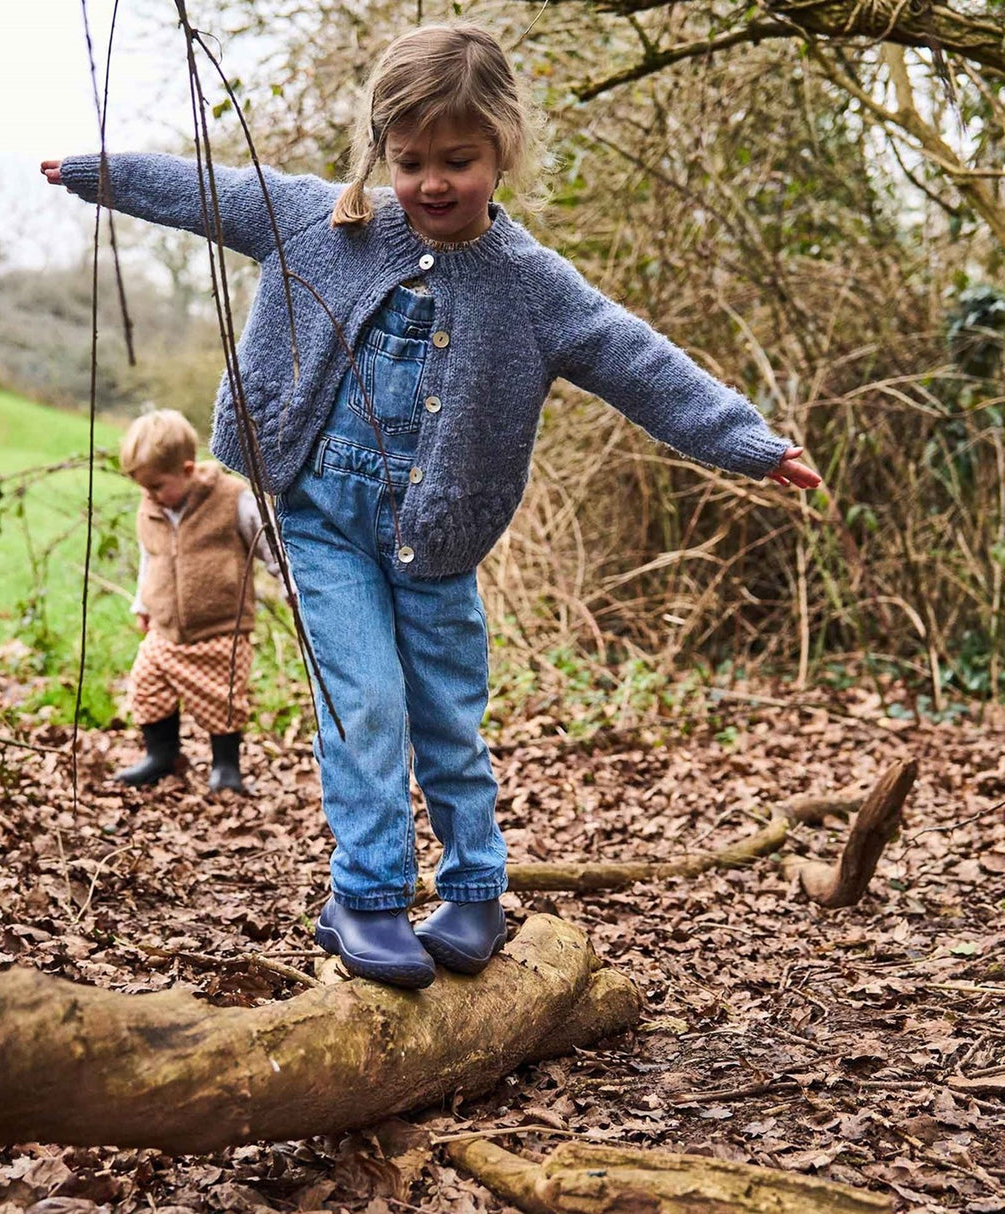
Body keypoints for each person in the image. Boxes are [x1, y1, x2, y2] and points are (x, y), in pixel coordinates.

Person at [42, 22, 820, 989]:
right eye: (409, 162)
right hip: (320, 522)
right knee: (364, 703)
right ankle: (367, 896)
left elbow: (636, 361)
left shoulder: (533, 286)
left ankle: (475, 887)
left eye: (458, 161)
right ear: (382, 152)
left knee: (448, 716)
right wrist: (98, 173)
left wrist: (750, 443)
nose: (432, 183)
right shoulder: (323, 221)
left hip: (437, 539)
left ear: (503, 150)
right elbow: (210, 189)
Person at [115, 408, 278, 791]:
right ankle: (162, 756)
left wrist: (291, 587)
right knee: (146, 685)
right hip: (165, 630)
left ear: (187, 470)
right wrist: (142, 604)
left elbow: (271, 544)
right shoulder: (152, 508)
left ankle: (226, 767)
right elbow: (150, 558)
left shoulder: (232, 499)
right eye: (143, 487)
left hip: (221, 628)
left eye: (156, 486)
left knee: (223, 698)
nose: (149, 495)